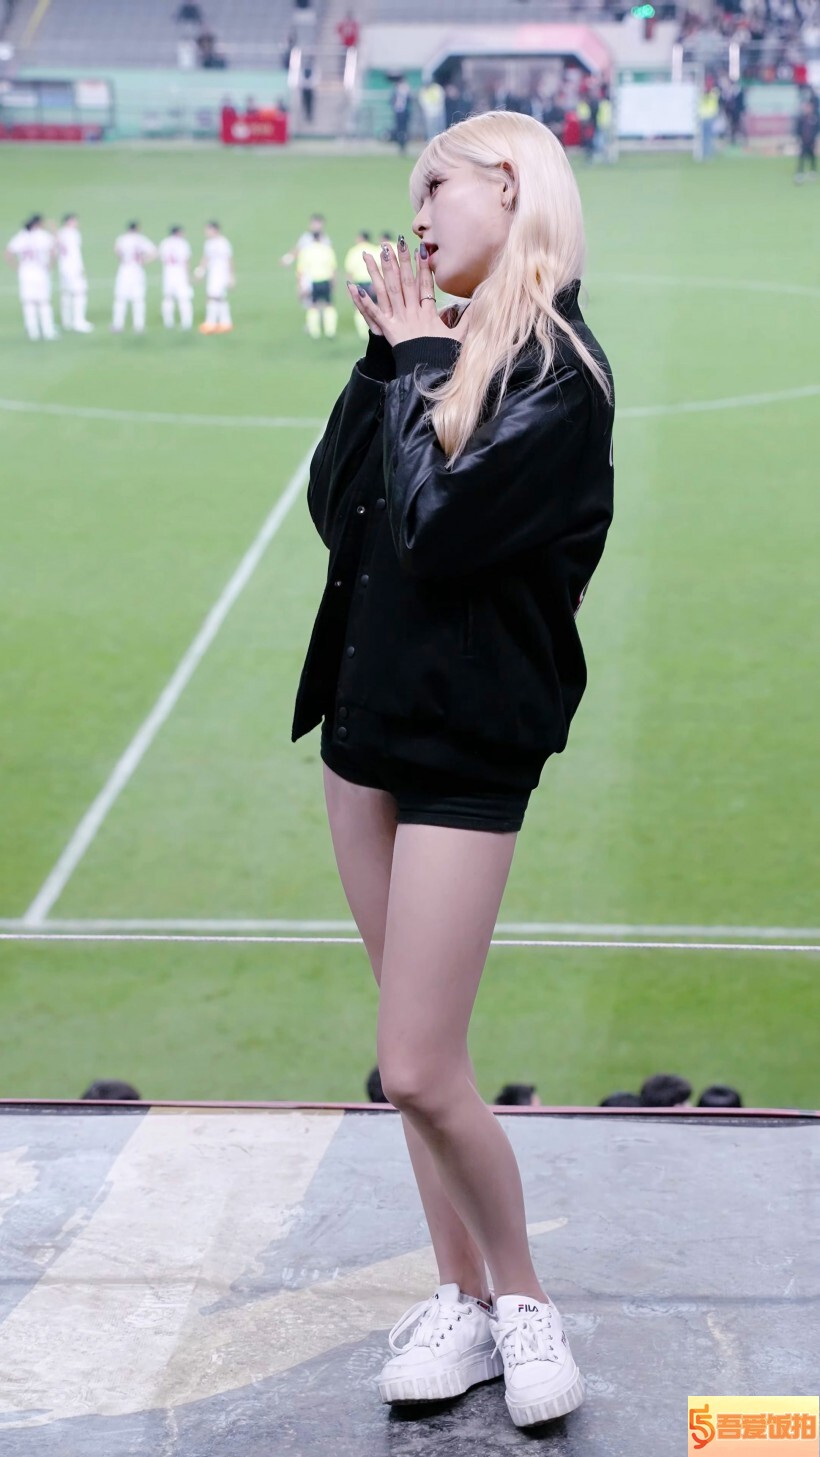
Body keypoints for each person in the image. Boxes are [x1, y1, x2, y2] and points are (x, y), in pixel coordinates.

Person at [291, 110, 614, 1429]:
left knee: (420, 1067)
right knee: (411, 1057)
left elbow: (438, 530)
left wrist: (423, 357)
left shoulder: (560, 375)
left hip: (467, 746)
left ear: (513, 188)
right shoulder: (446, 346)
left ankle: (522, 1299)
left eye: (437, 189)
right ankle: (459, 1298)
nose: (417, 216)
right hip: (364, 729)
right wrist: (384, 365)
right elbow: (341, 508)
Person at [4, 213, 58, 341]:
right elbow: (54, 249)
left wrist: (18, 267)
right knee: (44, 302)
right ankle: (48, 331)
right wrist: (50, 265)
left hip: (25, 274)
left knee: (29, 303)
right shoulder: (42, 235)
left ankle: (33, 332)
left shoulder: (21, 236)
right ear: (38, 224)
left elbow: (8, 253)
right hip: (40, 273)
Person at [111, 221, 157, 334]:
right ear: (137, 228)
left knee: (120, 298)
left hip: (124, 269)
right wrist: (144, 261)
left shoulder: (122, 239)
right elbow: (154, 252)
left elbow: (116, 250)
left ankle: (118, 325)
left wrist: (121, 259)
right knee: (138, 299)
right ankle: (139, 326)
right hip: (137, 269)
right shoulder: (141, 239)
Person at [281, 212, 330, 312]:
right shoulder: (306, 238)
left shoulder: (325, 240)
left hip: (321, 273)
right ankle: (313, 316)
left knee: (321, 300)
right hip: (307, 272)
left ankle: (317, 316)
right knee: (305, 297)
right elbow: (297, 250)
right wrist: (288, 259)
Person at [297, 221, 338, 339]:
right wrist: (334, 282)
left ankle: (315, 333)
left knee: (313, 306)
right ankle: (330, 331)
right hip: (325, 280)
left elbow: (300, 270)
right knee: (329, 305)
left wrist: (300, 286)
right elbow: (333, 267)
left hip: (312, 282)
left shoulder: (306, 251)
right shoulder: (327, 249)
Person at [194, 220, 234, 334]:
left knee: (212, 297)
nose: (206, 232)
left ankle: (211, 323)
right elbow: (206, 258)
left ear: (215, 230)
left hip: (221, 273)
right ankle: (225, 322)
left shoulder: (223, 243)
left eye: (208, 229)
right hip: (212, 274)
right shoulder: (209, 243)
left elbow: (229, 259)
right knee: (220, 298)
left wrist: (231, 276)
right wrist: (200, 272)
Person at [56, 213, 92, 333]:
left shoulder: (60, 233)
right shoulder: (73, 234)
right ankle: (79, 322)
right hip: (73, 268)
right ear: (69, 221)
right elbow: (75, 254)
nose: (77, 223)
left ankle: (67, 321)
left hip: (63, 268)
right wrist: (80, 269)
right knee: (80, 293)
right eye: (74, 220)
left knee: (66, 294)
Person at [344, 230, 380, 340]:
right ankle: (377, 329)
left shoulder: (353, 251)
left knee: (359, 307)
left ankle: (363, 333)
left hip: (359, 283)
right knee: (376, 306)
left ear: (360, 238)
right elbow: (379, 268)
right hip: (372, 282)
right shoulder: (374, 249)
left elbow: (349, 272)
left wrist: (348, 287)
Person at [158, 225, 193, 329]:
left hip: (168, 273)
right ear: (178, 232)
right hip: (180, 273)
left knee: (168, 298)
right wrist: (188, 275)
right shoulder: (182, 243)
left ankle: (168, 322)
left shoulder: (165, 243)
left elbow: (162, 258)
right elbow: (186, 260)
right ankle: (186, 323)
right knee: (184, 299)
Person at [794, 95, 818, 181]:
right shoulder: (801, 118)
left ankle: (813, 171)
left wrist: (815, 139)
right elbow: (798, 129)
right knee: (802, 156)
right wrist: (798, 139)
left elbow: (816, 129)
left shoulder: (815, 118)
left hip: (812, 141)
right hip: (803, 141)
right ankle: (800, 171)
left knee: (812, 156)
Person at [391, 76, 412, 154]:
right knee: (399, 130)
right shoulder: (396, 91)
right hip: (398, 112)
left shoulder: (406, 91)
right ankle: (401, 146)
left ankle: (403, 146)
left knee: (404, 130)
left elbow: (409, 100)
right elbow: (392, 101)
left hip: (404, 113)